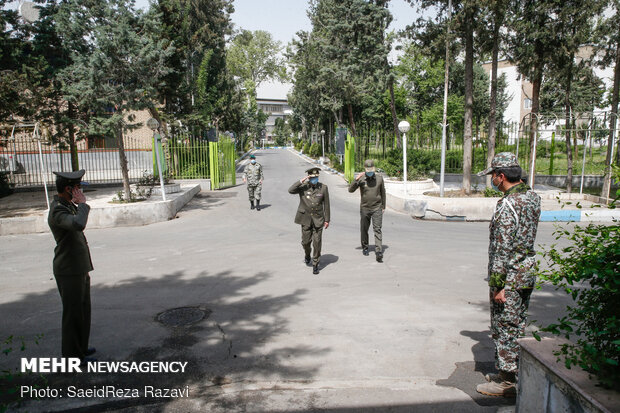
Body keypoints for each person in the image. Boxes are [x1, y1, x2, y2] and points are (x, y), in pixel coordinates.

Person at [475, 153, 541, 397]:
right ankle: (508, 373)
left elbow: (502, 250)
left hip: (509, 277)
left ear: (502, 176)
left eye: (493, 175)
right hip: (525, 273)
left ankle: (507, 383)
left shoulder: (507, 205)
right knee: (516, 325)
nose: (491, 179)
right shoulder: (532, 197)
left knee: (504, 327)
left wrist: (497, 285)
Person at [48, 169, 96, 364]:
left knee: (83, 311)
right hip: (68, 269)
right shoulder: (59, 209)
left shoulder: (67, 205)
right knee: (72, 314)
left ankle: (81, 349)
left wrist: (78, 204)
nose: (79, 191)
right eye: (76, 188)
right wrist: (83, 204)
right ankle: (71, 357)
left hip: (78, 267)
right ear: (67, 189)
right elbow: (78, 225)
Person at [288, 167, 330, 274]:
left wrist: (327, 219)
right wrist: (300, 181)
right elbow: (290, 190)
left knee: (317, 242)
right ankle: (307, 254)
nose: (314, 179)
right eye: (312, 177)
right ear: (309, 177)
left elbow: (327, 205)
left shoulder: (323, 188)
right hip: (305, 219)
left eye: (316, 177)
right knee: (305, 242)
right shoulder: (303, 187)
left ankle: (315, 263)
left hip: (318, 219)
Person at [348, 159, 386, 262]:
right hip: (365, 208)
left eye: (371, 170)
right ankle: (365, 247)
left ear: (374, 169)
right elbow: (350, 190)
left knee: (377, 229)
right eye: (368, 170)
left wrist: (383, 206)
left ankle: (378, 252)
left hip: (377, 208)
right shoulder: (361, 179)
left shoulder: (379, 178)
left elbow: (383, 192)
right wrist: (356, 179)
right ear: (365, 170)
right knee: (364, 229)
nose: (369, 172)